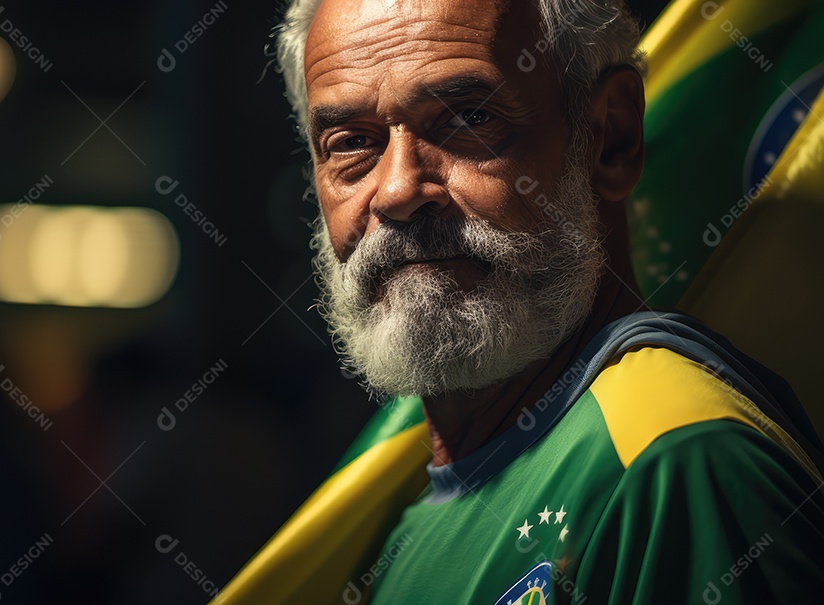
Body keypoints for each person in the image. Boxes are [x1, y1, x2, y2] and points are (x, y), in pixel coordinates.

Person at [217, 0, 824, 602]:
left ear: (610, 136)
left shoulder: (680, 466)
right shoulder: (397, 521)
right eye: (351, 142)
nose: (399, 189)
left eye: (469, 116)